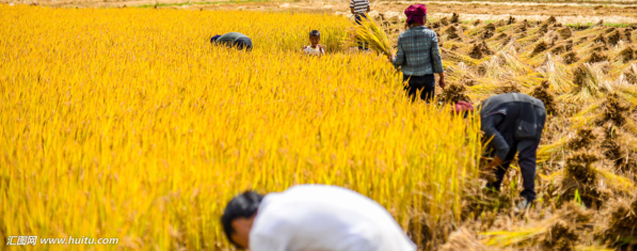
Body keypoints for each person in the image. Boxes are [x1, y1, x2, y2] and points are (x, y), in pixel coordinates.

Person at [221, 185, 416, 251]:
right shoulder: (291, 198)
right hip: (397, 241)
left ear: (238, 225)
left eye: (242, 245)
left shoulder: (263, 229)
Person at [453, 93, 547, 212]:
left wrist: (488, 169)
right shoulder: (480, 111)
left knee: (526, 156)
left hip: (531, 112)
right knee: (501, 152)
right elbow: (495, 147)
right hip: (514, 117)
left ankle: (529, 196)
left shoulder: (482, 122)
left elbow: (503, 149)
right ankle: (492, 189)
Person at [389, 4, 445, 102]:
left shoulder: (402, 36)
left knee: (411, 107)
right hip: (426, 78)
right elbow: (436, 57)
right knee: (428, 107)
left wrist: (393, 59)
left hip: (409, 79)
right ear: (422, 18)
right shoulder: (431, 35)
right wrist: (441, 77)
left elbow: (400, 60)